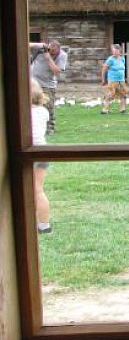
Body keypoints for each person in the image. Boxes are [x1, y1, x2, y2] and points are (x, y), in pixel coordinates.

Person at [29, 40, 67, 134]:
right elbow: (25, 45)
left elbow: (56, 71)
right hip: (33, 83)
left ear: (58, 49)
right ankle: (33, 127)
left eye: (53, 51)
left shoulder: (62, 55)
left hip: (48, 85)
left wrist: (48, 57)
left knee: (48, 107)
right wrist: (39, 44)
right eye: (49, 49)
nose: (51, 52)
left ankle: (50, 128)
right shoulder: (40, 49)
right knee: (31, 105)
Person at [30, 78, 52, 234]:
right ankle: (44, 225)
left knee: (30, 189)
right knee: (38, 189)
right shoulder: (43, 111)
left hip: (30, 152)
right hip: (43, 151)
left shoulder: (23, 112)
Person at [101, 44, 128, 115]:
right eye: (113, 51)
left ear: (119, 51)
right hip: (112, 80)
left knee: (123, 94)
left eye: (116, 51)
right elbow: (104, 69)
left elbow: (122, 69)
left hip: (121, 80)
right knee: (110, 94)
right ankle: (105, 110)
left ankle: (122, 110)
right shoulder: (110, 59)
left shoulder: (122, 59)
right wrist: (103, 79)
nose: (114, 52)